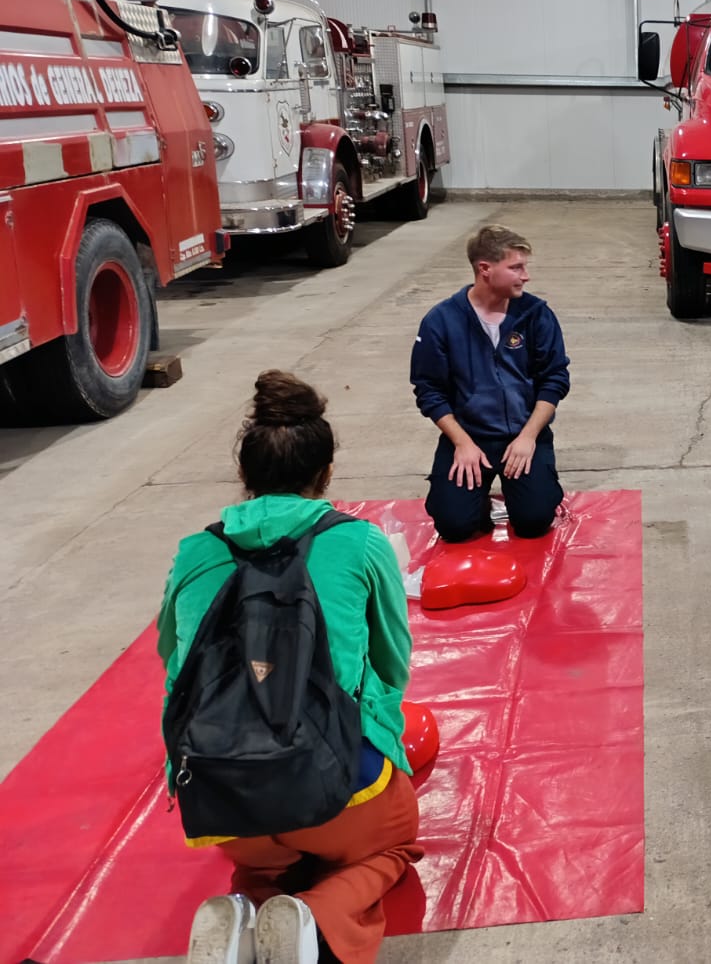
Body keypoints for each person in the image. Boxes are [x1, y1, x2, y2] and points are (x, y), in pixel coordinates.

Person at [160, 371, 419, 964]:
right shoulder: (359, 542)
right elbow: (391, 665)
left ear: (244, 473)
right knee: (391, 847)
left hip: (220, 793)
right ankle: (316, 917)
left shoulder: (195, 551)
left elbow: (174, 668)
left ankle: (246, 907)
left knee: (265, 858)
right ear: (325, 473)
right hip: (338, 791)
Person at [411, 224, 570, 541]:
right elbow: (429, 390)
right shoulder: (441, 321)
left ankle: (527, 489)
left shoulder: (536, 315)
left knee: (534, 521)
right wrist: (461, 442)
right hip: (469, 437)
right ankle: (476, 500)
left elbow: (555, 379)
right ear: (485, 269)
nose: (526, 276)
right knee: (454, 527)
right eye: (516, 268)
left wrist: (528, 437)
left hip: (523, 434)